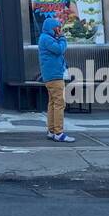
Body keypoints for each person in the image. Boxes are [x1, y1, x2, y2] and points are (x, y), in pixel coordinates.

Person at [38, 14, 74, 142]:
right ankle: (58, 132)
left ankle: (51, 130)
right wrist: (62, 37)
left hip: (50, 75)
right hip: (54, 76)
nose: (59, 30)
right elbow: (60, 50)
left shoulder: (45, 38)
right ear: (53, 29)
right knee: (59, 103)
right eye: (58, 28)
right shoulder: (47, 39)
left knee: (52, 103)